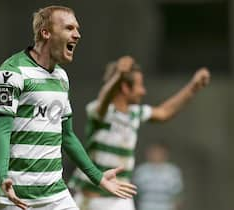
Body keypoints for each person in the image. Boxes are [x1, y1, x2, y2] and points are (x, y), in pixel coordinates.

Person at [0, 6, 136, 210]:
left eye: (77, 28)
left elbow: (68, 136)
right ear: (46, 33)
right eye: (69, 28)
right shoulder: (12, 73)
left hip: (54, 193)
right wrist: (3, 176)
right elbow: (2, 131)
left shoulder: (61, 77)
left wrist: (97, 176)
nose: (77, 34)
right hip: (14, 193)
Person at [68, 56, 210, 210]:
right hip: (90, 201)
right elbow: (103, 101)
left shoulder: (135, 113)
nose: (143, 91)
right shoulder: (101, 112)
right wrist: (118, 76)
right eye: (140, 85)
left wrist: (194, 86)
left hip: (119, 200)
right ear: (125, 88)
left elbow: (164, 112)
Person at [133, 142, 183, 210]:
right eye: (154, 152)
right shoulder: (141, 171)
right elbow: (133, 193)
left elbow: (178, 195)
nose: (156, 155)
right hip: (145, 207)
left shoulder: (173, 171)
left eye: (159, 152)